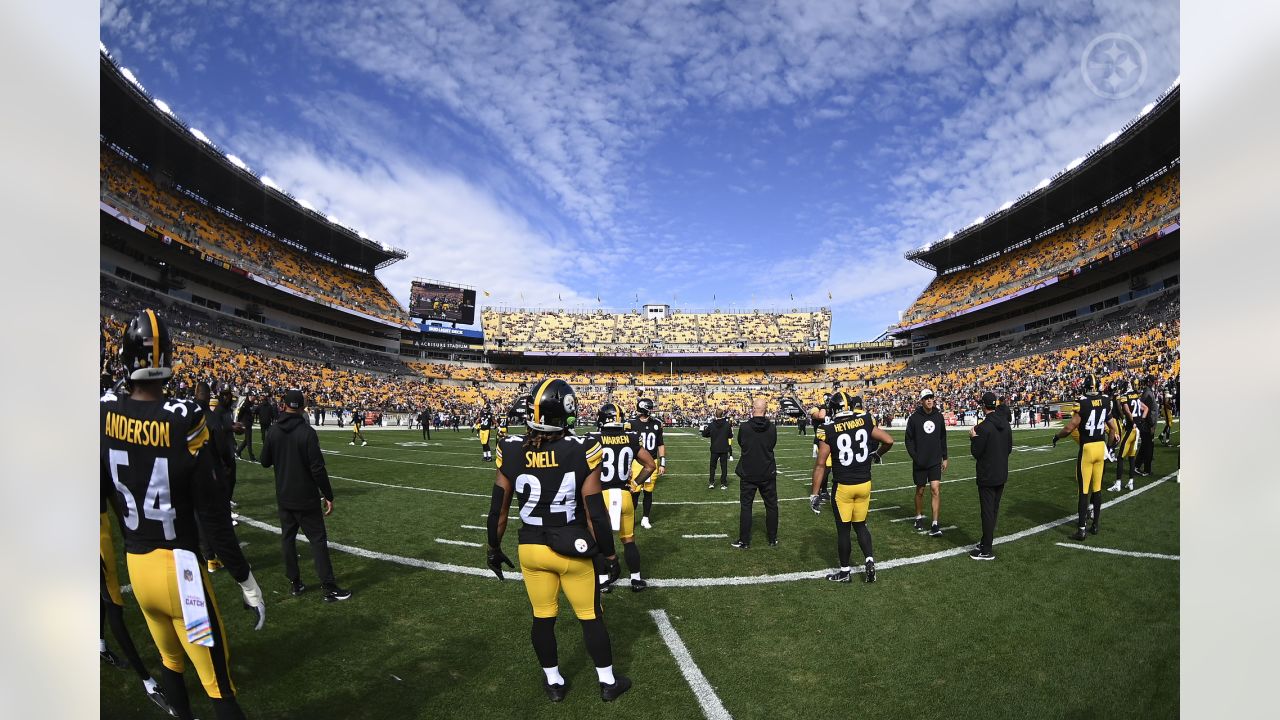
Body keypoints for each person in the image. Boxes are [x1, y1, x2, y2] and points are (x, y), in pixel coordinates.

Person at [101, 309, 265, 720]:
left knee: (170, 663)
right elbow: (213, 516)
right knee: (219, 687)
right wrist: (245, 579)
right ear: (168, 359)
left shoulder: (103, 412)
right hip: (182, 574)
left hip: (137, 565)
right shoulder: (185, 419)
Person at [484, 379, 632, 703]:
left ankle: (553, 683)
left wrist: (493, 549)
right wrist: (609, 556)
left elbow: (498, 512)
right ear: (567, 413)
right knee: (591, 615)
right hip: (571, 549)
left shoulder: (508, 449)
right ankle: (607, 682)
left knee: (543, 616)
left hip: (531, 549)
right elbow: (596, 513)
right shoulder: (582, 449)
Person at [261, 389, 352, 602]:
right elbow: (317, 469)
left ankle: (295, 583)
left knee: (288, 539)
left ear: (283, 406)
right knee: (318, 540)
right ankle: (328, 587)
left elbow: (265, 461)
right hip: (306, 497)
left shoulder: (274, 431)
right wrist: (328, 494)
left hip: (284, 496)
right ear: (302, 408)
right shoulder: (307, 433)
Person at [810, 391, 894, 583]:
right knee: (861, 525)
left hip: (844, 486)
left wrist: (814, 494)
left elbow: (821, 464)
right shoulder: (864, 419)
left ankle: (845, 571)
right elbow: (888, 440)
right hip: (865, 483)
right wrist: (877, 454)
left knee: (843, 530)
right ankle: (870, 560)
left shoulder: (828, 428)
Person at [587, 402, 657, 593]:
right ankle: (635, 579)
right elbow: (650, 465)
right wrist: (636, 484)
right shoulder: (631, 438)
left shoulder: (592, 438)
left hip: (601, 496)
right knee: (629, 540)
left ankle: (603, 581)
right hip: (625, 495)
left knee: (600, 541)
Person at [1053, 374, 1117, 540]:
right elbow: (1113, 428)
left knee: (1084, 491)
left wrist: (1057, 436)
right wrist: (1109, 448)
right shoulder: (1105, 400)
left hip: (1087, 449)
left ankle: (1081, 529)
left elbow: (1069, 428)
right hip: (1100, 447)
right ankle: (1095, 525)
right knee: (1097, 489)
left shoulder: (1082, 402)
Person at [195, 382, 239, 572]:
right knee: (215, 517)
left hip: (189, 472)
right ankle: (217, 557)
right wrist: (228, 465)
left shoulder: (185, 414)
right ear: (208, 396)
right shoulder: (211, 418)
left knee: (197, 515)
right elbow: (221, 448)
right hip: (210, 473)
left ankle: (207, 557)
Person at [970, 390, 1013, 560]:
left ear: (982, 406)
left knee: (987, 512)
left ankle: (986, 549)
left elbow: (976, 452)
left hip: (987, 475)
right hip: (1001, 472)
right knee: (993, 510)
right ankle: (985, 541)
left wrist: (973, 438)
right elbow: (1009, 449)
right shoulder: (1005, 424)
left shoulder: (983, 427)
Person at [731, 396, 779, 549]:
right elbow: (772, 444)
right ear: (766, 410)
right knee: (771, 506)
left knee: (746, 506)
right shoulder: (772, 427)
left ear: (753, 409)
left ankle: (744, 541)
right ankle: (772, 538)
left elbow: (742, 443)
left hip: (748, 472)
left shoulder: (744, 427)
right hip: (767, 472)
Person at [905, 388, 948, 536]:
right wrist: (915, 457)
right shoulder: (914, 418)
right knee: (920, 490)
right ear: (921, 401)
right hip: (920, 461)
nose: (929, 400)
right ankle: (918, 517)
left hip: (935, 460)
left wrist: (945, 457)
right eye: (926, 398)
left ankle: (935, 523)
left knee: (935, 489)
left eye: (931, 397)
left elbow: (943, 437)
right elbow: (908, 440)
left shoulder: (938, 416)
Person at [625, 398, 665, 529]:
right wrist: (628, 465)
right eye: (649, 408)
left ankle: (645, 518)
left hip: (652, 462)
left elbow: (660, 444)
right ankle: (631, 518)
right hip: (637, 462)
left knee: (648, 492)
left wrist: (662, 462)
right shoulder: (631, 423)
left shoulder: (657, 424)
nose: (651, 410)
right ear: (643, 409)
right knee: (634, 492)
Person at [1108, 379, 1139, 491]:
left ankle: (1118, 484)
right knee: (1131, 457)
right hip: (1137, 429)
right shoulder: (1136, 394)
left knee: (1120, 457)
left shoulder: (1125, 396)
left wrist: (1130, 420)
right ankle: (1131, 482)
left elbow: (1126, 409)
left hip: (1131, 428)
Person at [701, 407, 734, 490]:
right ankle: (723, 483)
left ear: (715, 414)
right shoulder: (727, 424)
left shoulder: (712, 424)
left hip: (715, 448)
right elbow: (730, 435)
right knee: (724, 467)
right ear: (722, 414)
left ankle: (711, 482)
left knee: (712, 466)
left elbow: (704, 434)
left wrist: (711, 435)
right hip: (724, 448)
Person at [1135, 374, 1158, 476]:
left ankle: (1137, 466)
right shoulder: (1148, 393)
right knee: (1148, 447)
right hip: (1147, 424)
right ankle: (1145, 468)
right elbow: (1148, 412)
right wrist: (1152, 425)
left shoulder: (1147, 392)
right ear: (1149, 382)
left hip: (1147, 423)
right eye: (1153, 381)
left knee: (1145, 446)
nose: (1154, 383)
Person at [234, 394, 256, 461]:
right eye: (254, 397)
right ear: (250, 397)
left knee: (247, 440)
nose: (255, 398)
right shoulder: (245, 404)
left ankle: (238, 452)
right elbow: (240, 413)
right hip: (246, 424)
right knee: (249, 440)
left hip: (249, 424)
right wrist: (239, 422)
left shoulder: (250, 404)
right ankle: (251, 457)